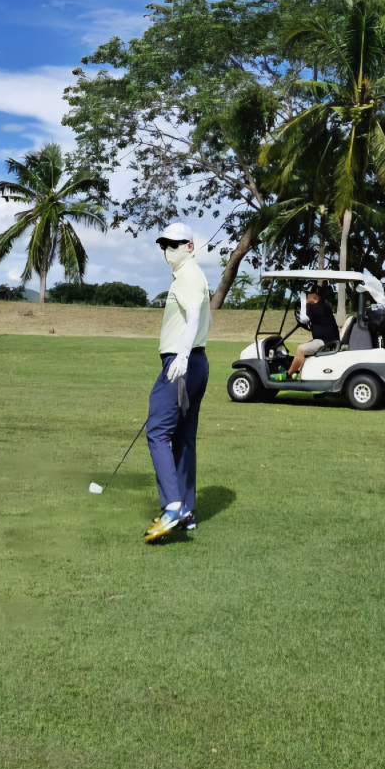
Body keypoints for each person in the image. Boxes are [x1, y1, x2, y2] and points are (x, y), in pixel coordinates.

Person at [143, 221, 211, 543]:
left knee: (157, 430)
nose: (168, 250)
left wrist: (181, 356)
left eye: (174, 244)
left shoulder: (189, 275)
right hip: (194, 362)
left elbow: (194, 313)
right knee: (183, 438)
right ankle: (186, 510)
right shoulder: (189, 276)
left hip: (181, 363)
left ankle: (172, 507)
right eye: (164, 245)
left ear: (190, 247)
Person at [286, 283, 340, 377]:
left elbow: (303, 319)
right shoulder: (321, 306)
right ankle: (297, 372)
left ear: (315, 296)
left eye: (308, 294)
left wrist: (303, 301)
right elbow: (307, 322)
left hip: (326, 342)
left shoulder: (319, 307)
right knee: (305, 347)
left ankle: (288, 374)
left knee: (301, 349)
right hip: (325, 340)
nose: (307, 296)